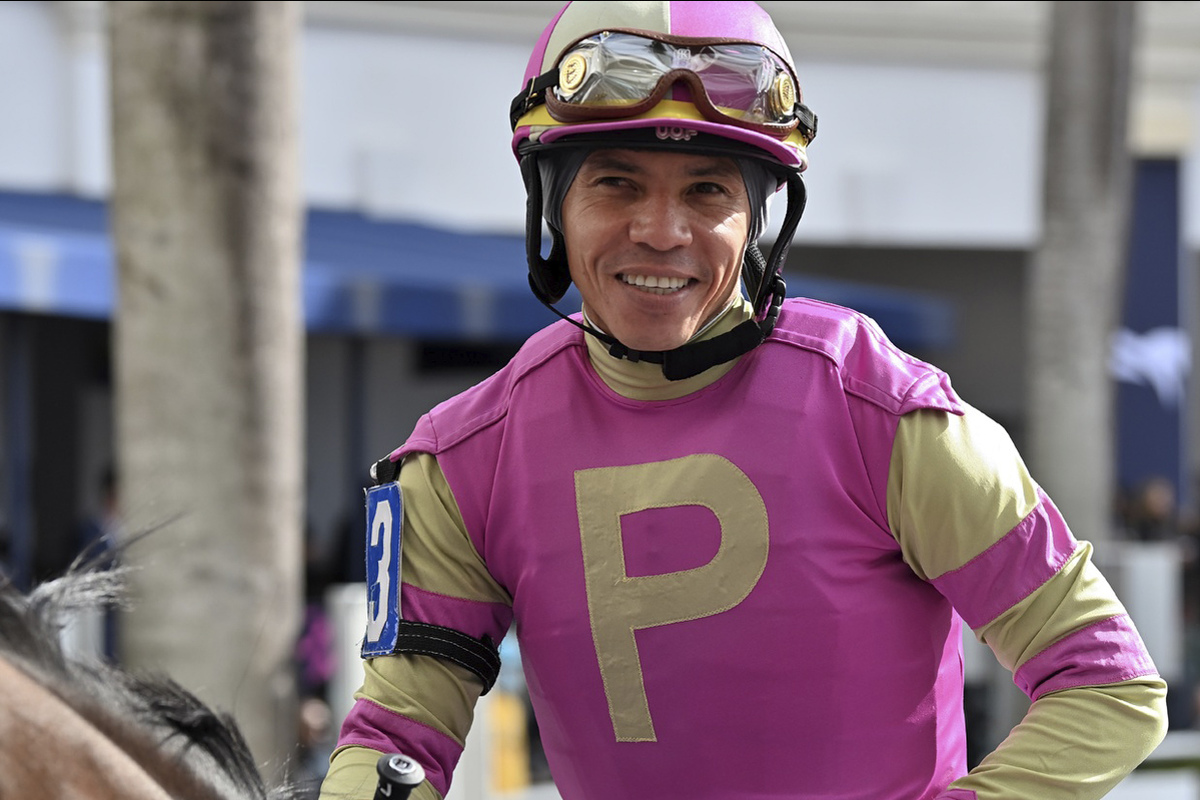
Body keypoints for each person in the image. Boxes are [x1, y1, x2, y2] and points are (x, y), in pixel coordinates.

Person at [320, 3, 1168, 799]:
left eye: (707, 191)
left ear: (759, 219)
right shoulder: (458, 463)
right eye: (615, 183)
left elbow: (1108, 685)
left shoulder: (889, 416)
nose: (661, 231)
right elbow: (398, 733)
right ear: (551, 205)